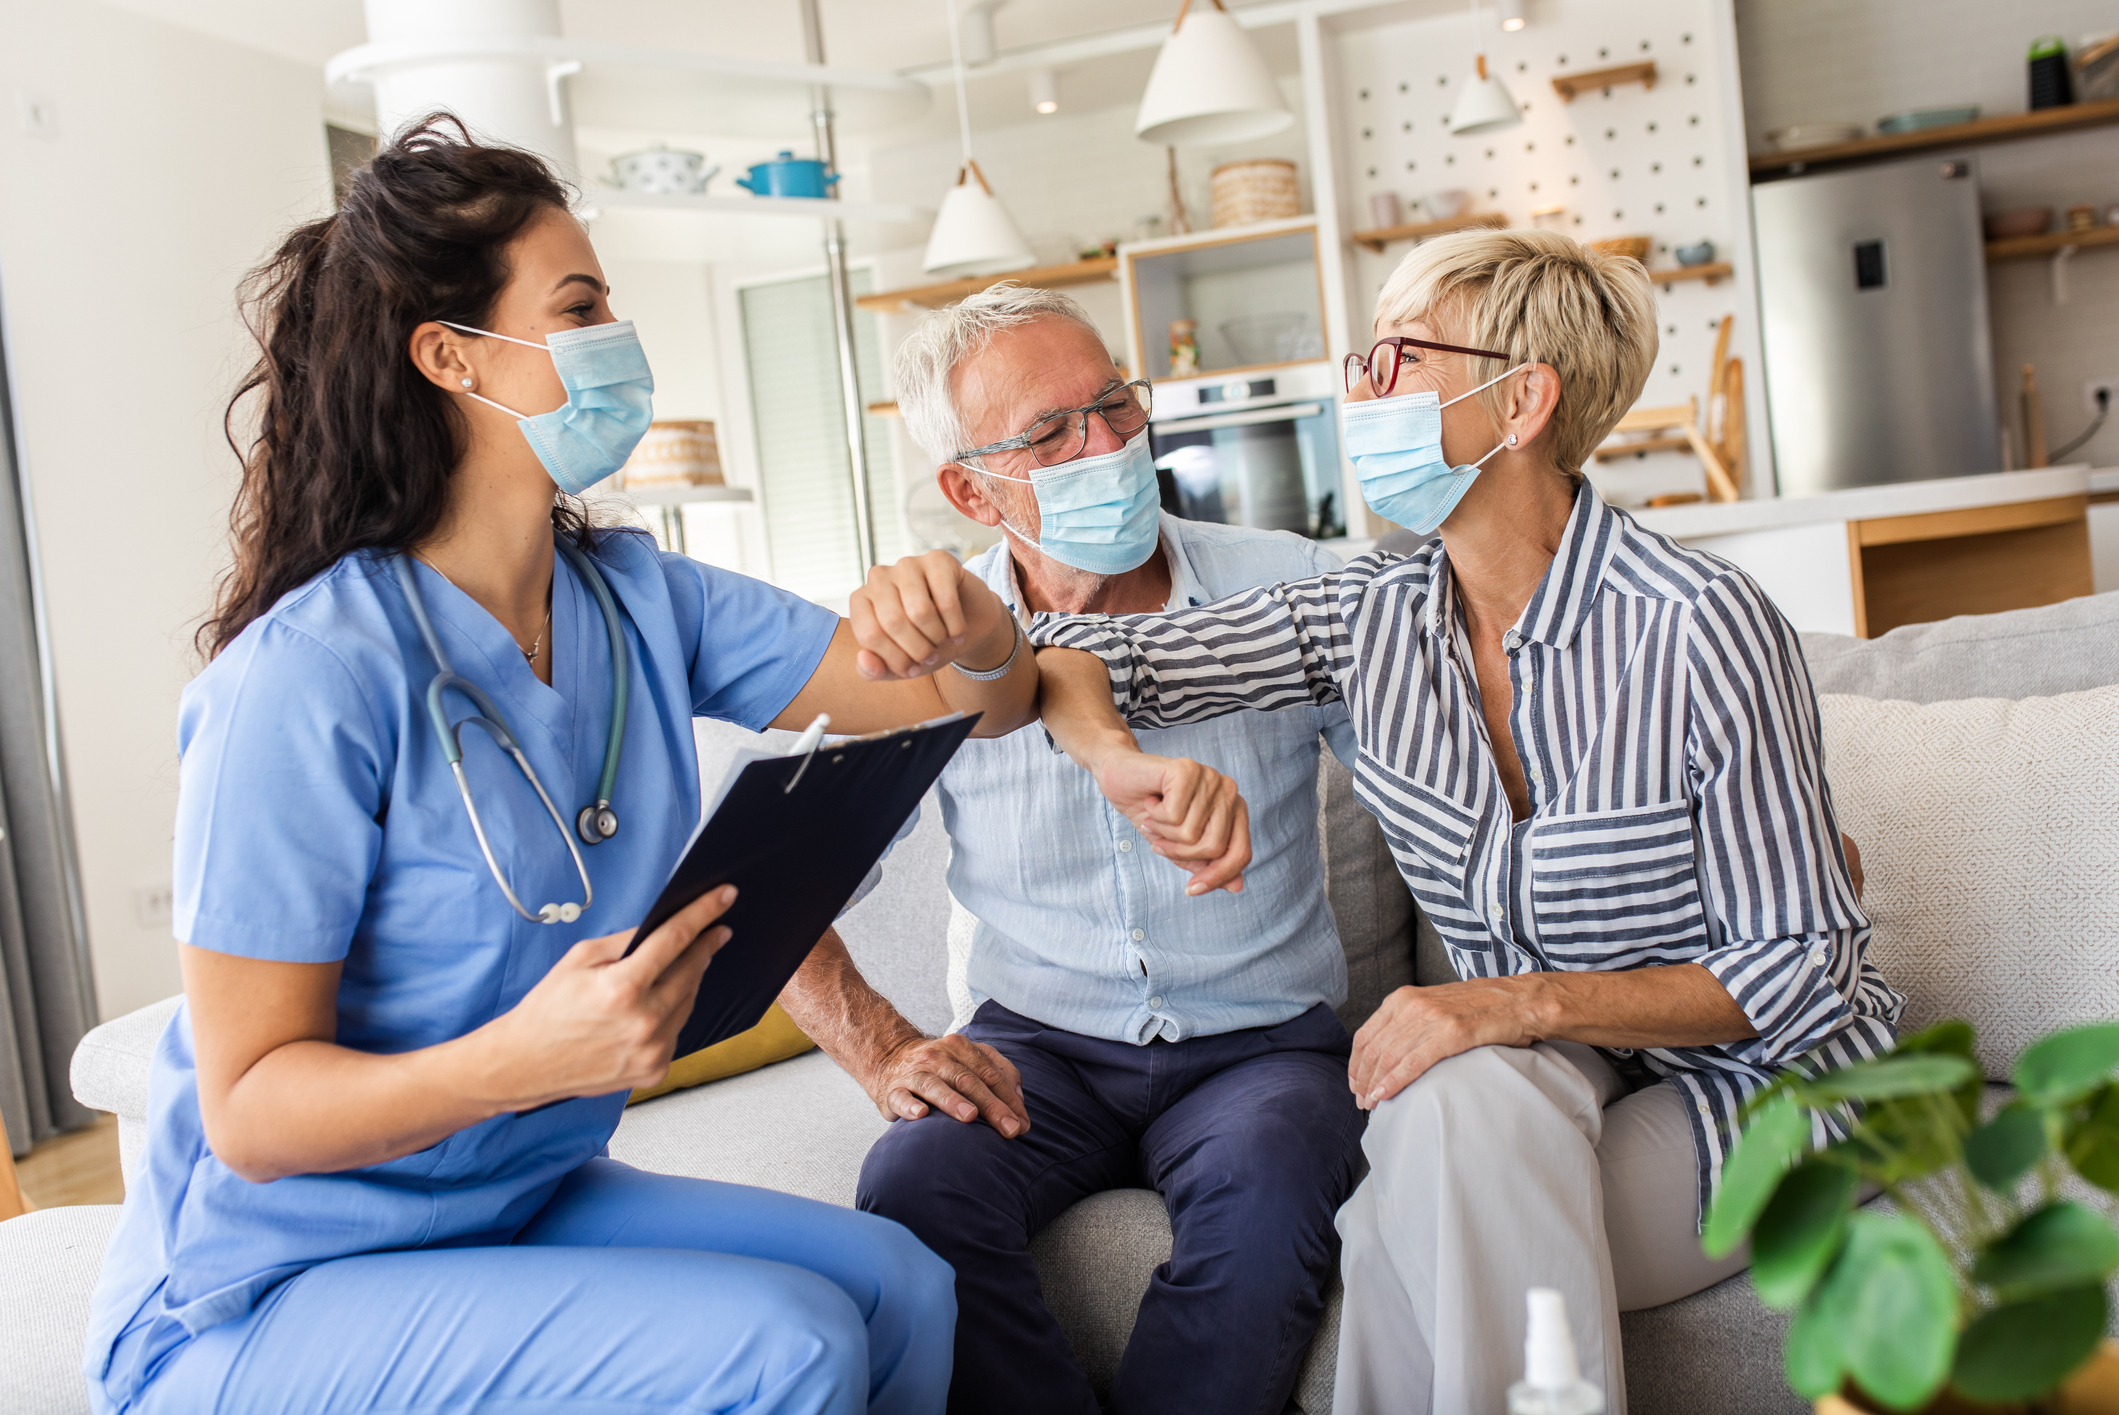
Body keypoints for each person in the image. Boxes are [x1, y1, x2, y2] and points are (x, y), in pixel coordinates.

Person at [81, 117, 1056, 1415]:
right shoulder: (303, 677)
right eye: (581, 306)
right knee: (788, 1345)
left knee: (904, 1286)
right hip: (265, 1281)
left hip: (503, 1195)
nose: (617, 340)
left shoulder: (637, 599)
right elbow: (251, 1113)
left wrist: (976, 628)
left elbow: (975, 704)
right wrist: (527, 1056)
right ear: (450, 355)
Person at [1028, 228, 1904, 1414]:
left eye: (1398, 358)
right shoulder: (1371, 614)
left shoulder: (1698, 622)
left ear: (1521, 402)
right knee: (1447, 1117)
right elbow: (1080, 653)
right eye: (1364, 358)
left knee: (1429, 1200)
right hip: (1557, 1076)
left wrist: (1517, 1001)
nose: (1359, 389)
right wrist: (1117, 758)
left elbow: (1803, 963)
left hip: (1770, 1082)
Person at [776, 284, 1364, 1415]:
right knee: (912, 1177)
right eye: (1050, 432)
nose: (1106, 447)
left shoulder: (1290, 582)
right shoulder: (929, 648)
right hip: (1036, 1050)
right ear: (968, 489)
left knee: (1278, 1166)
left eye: (1115, 405)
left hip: (1261, 1049)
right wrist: (882, 1048)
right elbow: (772, 886)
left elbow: (1431, 786)